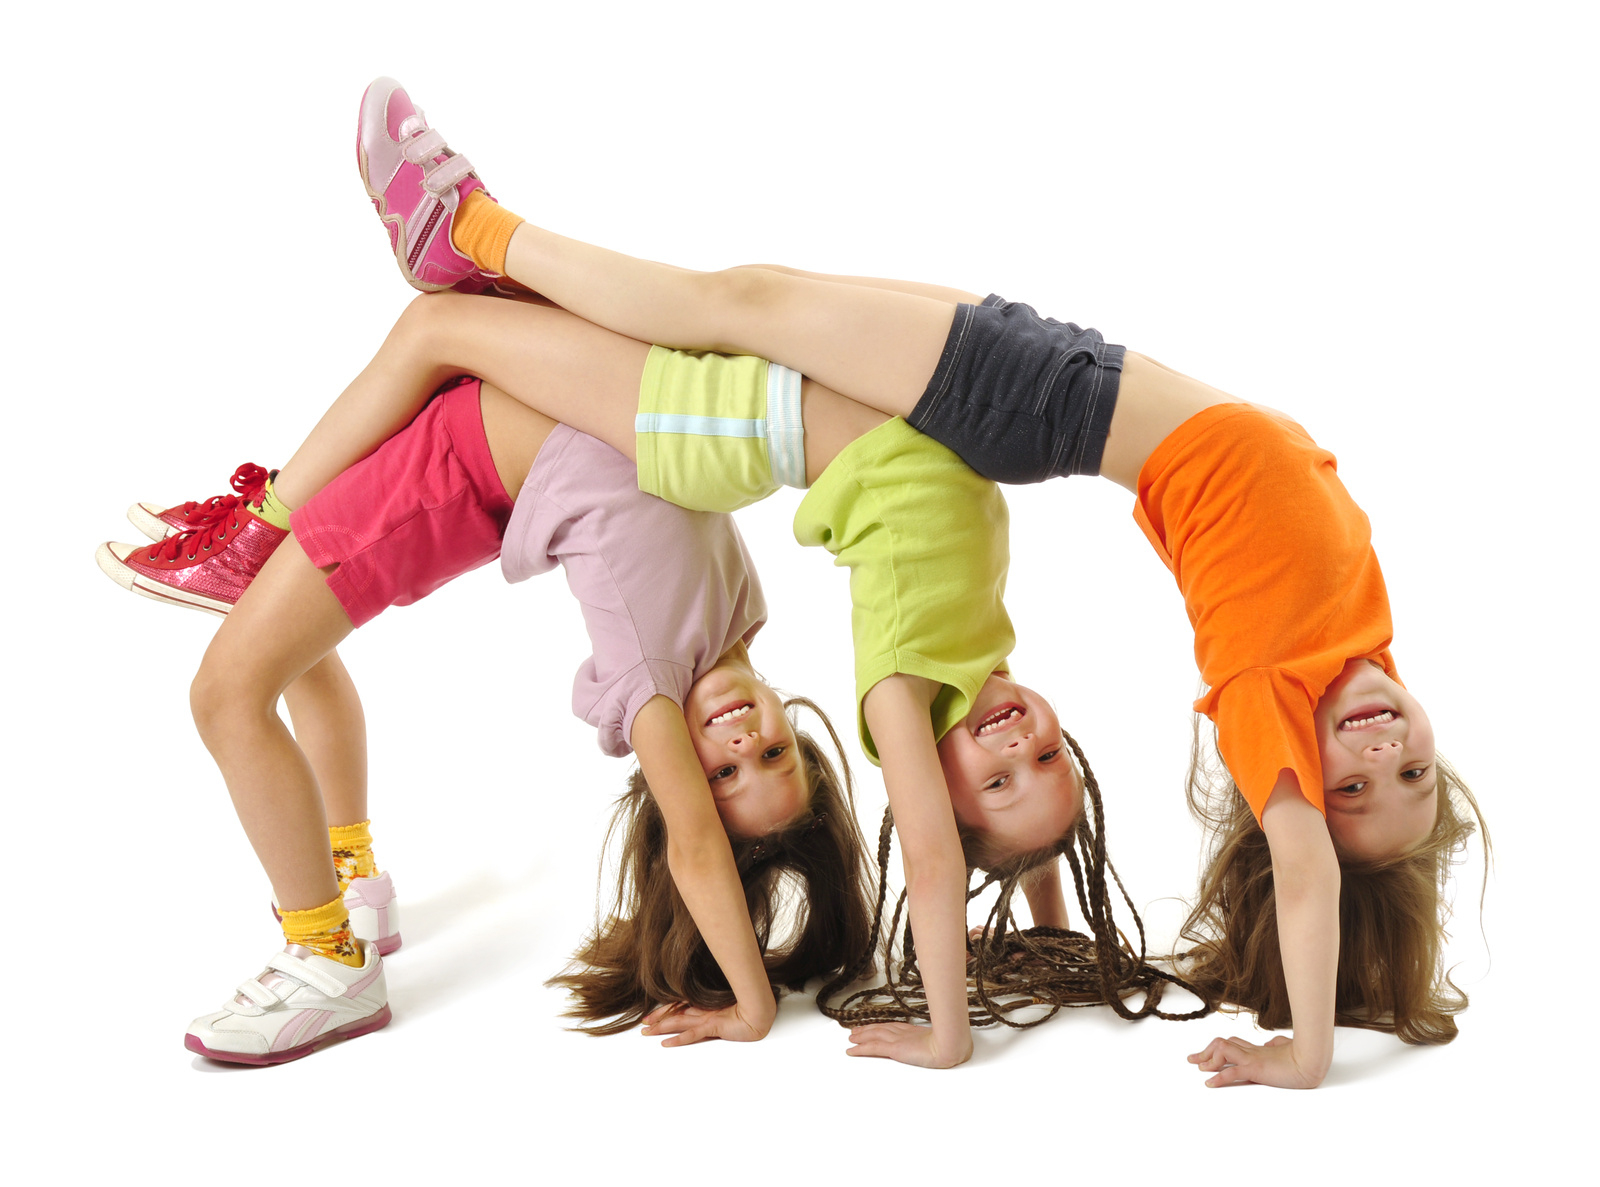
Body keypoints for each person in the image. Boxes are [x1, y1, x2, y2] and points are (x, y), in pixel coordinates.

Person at [331, 78, 1489, 1088]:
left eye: (1352, 788)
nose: (1383, 750)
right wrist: (1047, 903)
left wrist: (1293, 1055)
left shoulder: (1258, 698)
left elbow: (955, 855)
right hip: (1048, 391)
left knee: (735, 298)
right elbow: (1024, 824)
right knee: (743, 293)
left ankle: (467, 228)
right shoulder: (1341, 643)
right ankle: (481, 262)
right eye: (1414, 772)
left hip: (1013, 407)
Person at [97, 373, 873, 1063]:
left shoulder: (654, 684)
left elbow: (698, 846)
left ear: (681, 786)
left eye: (724, 773)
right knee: (281, 635)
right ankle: (353, 878)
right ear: (795, 725)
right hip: (460, 459)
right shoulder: (740, 613)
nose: (744, 740)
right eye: (775, 754)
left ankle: (329, 955)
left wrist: (754, 1006)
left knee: (225, 695)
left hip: (440, 483)